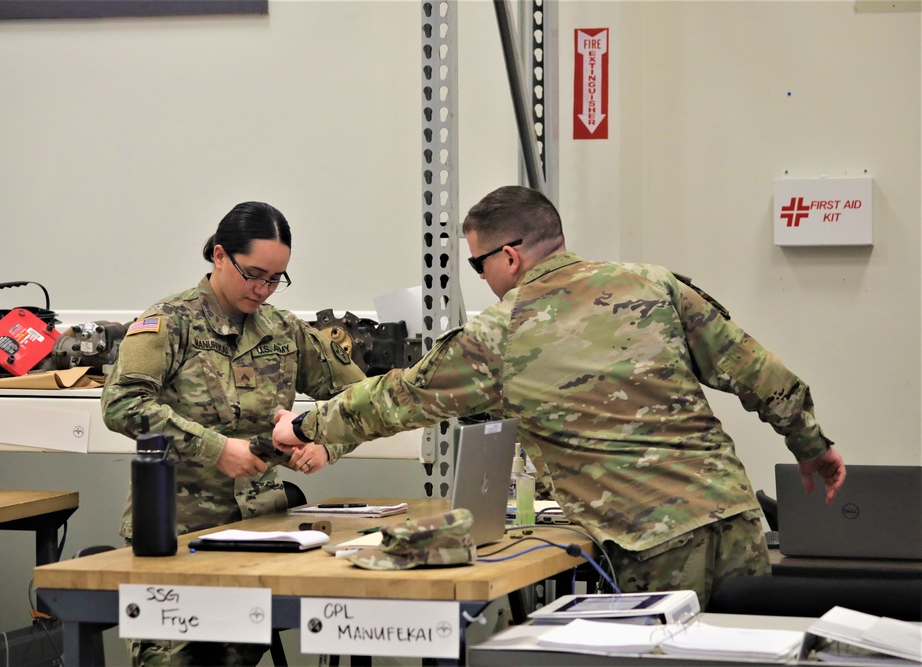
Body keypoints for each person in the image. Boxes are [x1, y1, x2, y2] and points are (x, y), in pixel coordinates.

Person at [273, 185, 846, 609]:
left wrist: (303, 428)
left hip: (649, 542)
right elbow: (758, 372)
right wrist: (811, 446)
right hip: (735, 517)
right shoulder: (652, 283)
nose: (483, 278)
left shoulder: (501, 331)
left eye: (478, 265)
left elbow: (398, 397)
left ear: (510, 257)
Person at [102, 201, 365, 666]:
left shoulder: (284, 330)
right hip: (178, 537)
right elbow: (122, 404)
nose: (263, 289)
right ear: (220, 256)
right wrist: (215, 448)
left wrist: (327, 444)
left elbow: (364, 400)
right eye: (254, 274)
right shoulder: (170, 322)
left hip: (260, 534)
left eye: (276, 279)